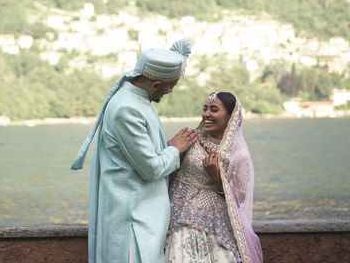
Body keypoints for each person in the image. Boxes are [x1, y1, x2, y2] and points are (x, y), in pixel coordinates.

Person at [72, 39, 198, 263]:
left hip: (141, 216)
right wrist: (174, 149)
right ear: (156, 84)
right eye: (172, 86)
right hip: (132, 220)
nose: (170, 91)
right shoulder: (127, 108)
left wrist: (168, 148)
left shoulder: (135, 100)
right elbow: (150, 168)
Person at [165, 92, 263, 263]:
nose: (206, 114)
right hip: (177, 213)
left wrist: (217, 178)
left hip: (214, 223)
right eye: (205, 108)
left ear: (230, 117)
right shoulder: (191, 137)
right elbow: (168, 168)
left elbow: (240, 199)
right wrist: (170, 148)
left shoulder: (238, 155)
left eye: (214, 109)